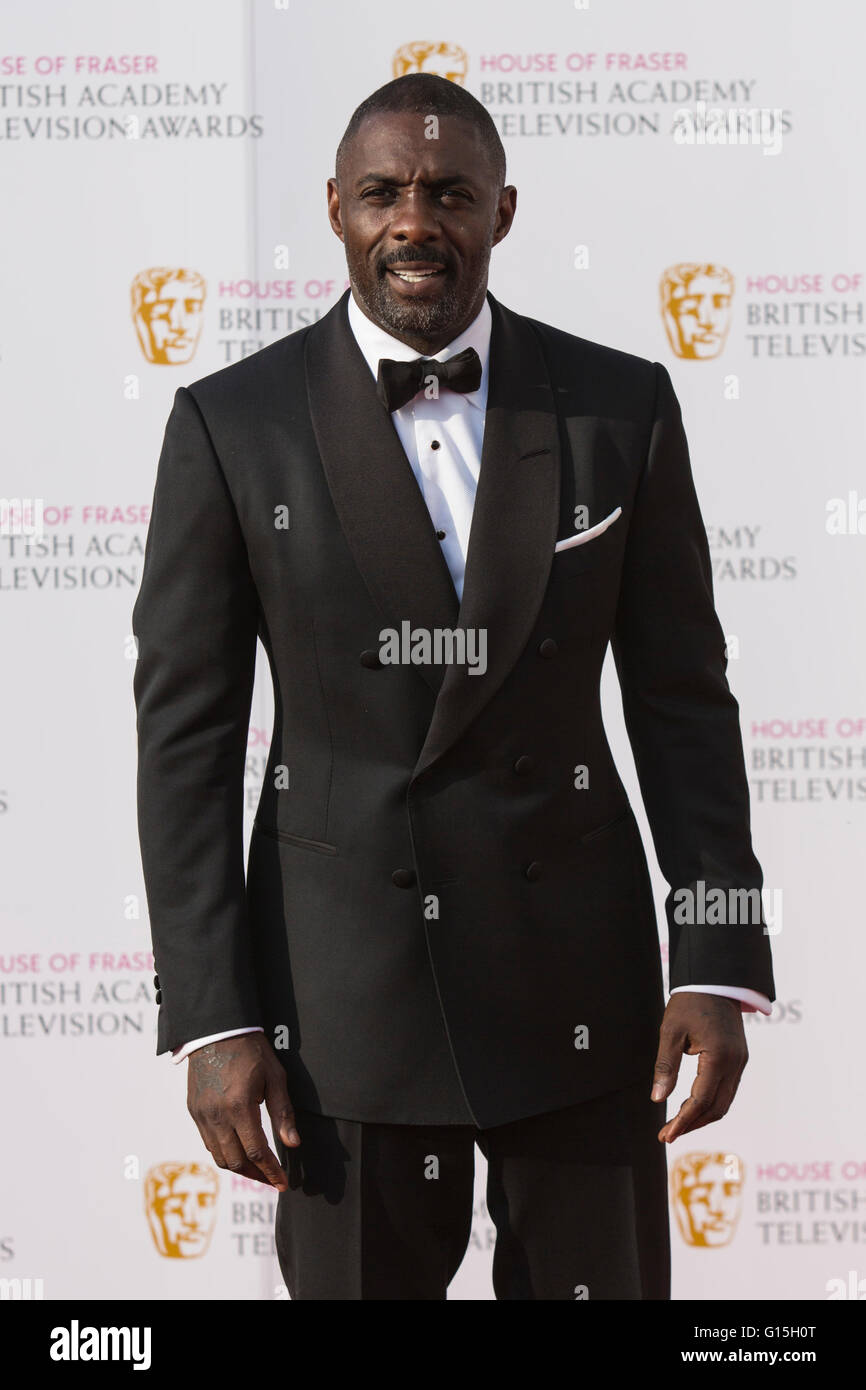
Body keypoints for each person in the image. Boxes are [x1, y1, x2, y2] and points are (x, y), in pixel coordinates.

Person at [132, 73, 775, 1301]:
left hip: (579, 999)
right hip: (339, 1010)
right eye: (382, 192)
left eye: (449, 193)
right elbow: (185, 741)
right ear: (333, 208)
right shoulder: (232, 425)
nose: (414, 221)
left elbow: (683, 700)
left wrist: (712, 957)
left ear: (504, 211)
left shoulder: (616, 405)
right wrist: (214, 1016)